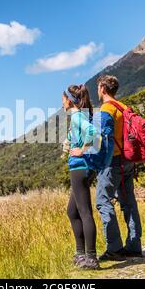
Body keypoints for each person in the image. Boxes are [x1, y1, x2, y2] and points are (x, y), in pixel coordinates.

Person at [95, 75, 143, 261]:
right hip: (128, 161)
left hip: (112, 162)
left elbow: (100, 139)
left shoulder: (106, 109)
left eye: (98, 87)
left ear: (102, 88)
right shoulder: (123, 107)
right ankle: (133, 245)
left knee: (102, 201)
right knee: (129, 203)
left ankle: (114, 248)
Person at [62, 84, 99, 270]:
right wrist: (70, 142)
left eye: (62, 99)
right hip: (82, 167)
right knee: (72, 211)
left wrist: (81, 150)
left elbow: (92, 132)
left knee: (84, 212)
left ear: (69, 100)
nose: (61, 103)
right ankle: (80, 255)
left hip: (79, 167)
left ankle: (91, 258)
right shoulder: (80, 116)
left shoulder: (77, 116)